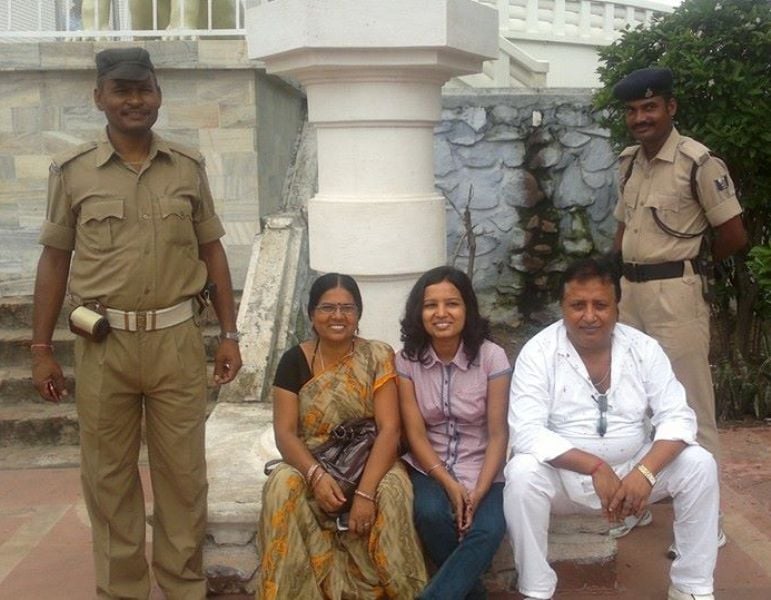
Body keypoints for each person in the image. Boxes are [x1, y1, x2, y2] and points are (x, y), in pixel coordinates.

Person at [30, 47, 242, 599]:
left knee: (184, 475)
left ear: (158, 95)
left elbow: (212, 250)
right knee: (107, 477)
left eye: (143, 89)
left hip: (176, 341)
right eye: (121, 91)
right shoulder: (73, 172)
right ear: (99, 97)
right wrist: (40, 348)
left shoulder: (187, 167)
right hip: (105, 345)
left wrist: (230, 333)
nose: (134, 100)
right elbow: (54, 260)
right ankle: (122, 590)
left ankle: (182, 585)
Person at [503, 257, 719, 600]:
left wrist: (644, 472)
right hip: (564, 478)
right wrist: (595, 467)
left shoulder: (643, 349)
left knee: (700, 464)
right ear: (562, 307)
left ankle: (692, 587)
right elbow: (527, 431)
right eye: (578, 305)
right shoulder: (538, 352)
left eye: (600, 305)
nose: (589, 316)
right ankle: (536, 589)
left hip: (634, 473)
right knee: (521, 473)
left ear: (617, 308)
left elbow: (678, 417)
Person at [257, 273, 427, 599]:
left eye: (347, 308)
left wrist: (364, 494)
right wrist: (316, 475)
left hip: (371, 458)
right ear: (311, 314)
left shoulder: (377, 356)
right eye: (327, 308)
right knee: (282, 485)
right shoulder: (294, 361)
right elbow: (285, 434)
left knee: (393, 489)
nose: (338, 316)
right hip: (315, 459)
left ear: (358, 314)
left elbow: (389, 429)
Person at [612, 66, 747, 459]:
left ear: (670, 107)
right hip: (629, 295)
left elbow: (734, 233)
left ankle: (706, 498)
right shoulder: (629, 163)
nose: (640, 118)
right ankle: (643, 489)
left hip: (676, 295)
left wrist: (696, 265)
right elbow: (623, 228)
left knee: (689, 402)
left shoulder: (697, 163)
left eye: (649, 107)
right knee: (634, 402)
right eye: (632, 110)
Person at [397, 266, 511, 599]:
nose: (441, 313)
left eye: (452, 304)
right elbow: (416, 434)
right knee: (429, 514)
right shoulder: (406, 361)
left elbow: (499, 434)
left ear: (467, 309)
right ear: (419, 312)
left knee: (489, 528)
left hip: (484, 465)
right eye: (431, 305)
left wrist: (478, 491)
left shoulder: (492, 357)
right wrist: (449, 483)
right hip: (430, 466)